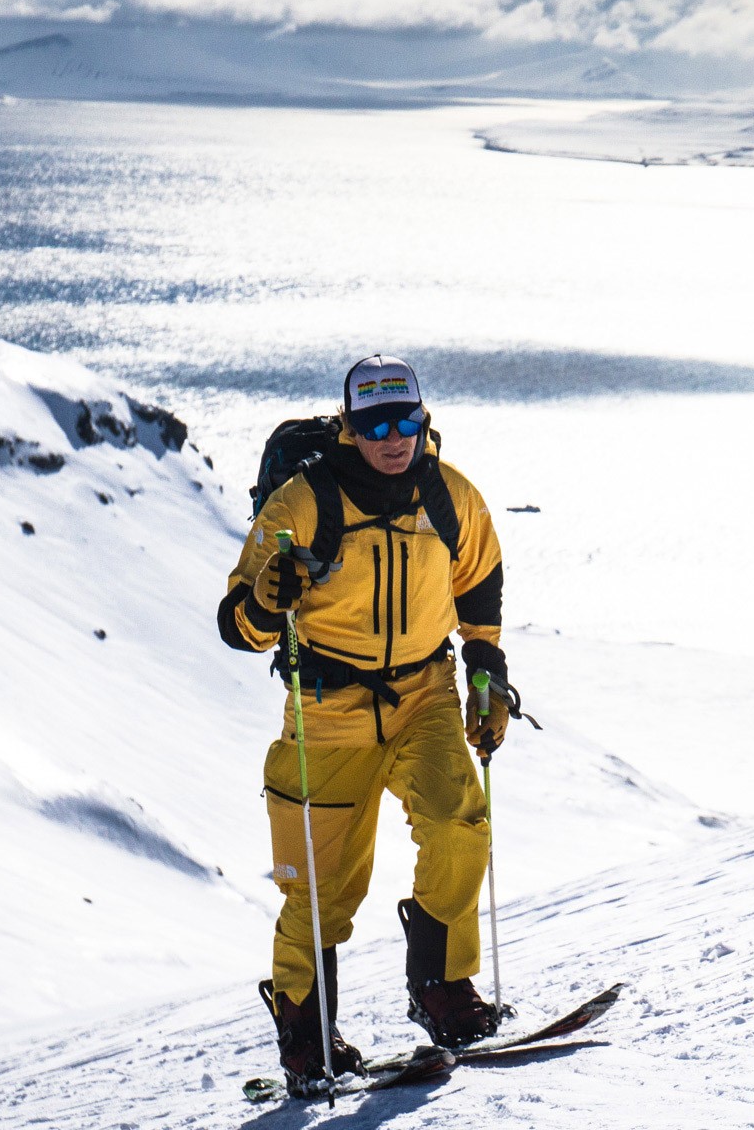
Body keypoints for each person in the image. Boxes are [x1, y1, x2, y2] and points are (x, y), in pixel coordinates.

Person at [218, 354, 513, 1094]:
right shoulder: (300, 504)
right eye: (376, 425)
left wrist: (487, 672)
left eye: (405, 422)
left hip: (426, 695)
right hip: (327, 712)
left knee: (458, 823)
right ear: (350, 426)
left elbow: (479, 584)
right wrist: (266, 601)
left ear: (423, 419)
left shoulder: (451, 496)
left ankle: (442, 987)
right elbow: (237, 625)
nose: (393, 438)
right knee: (320, 892)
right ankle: (306, 1036)